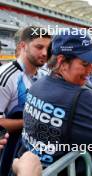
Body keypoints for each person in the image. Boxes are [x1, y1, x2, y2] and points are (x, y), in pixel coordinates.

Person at [18, 30, 92, 172]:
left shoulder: (37, 85)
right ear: (61, 62)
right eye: (85, 64)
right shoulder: (82, 96)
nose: (91, 70)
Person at [0, 26, 51, 175]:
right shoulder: (6, 77)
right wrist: (36, 120)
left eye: (47, 48)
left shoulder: (45, 75)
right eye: (39, 47)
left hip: (40, 153)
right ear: (23, 46)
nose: (44, 53)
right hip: (11, 159)